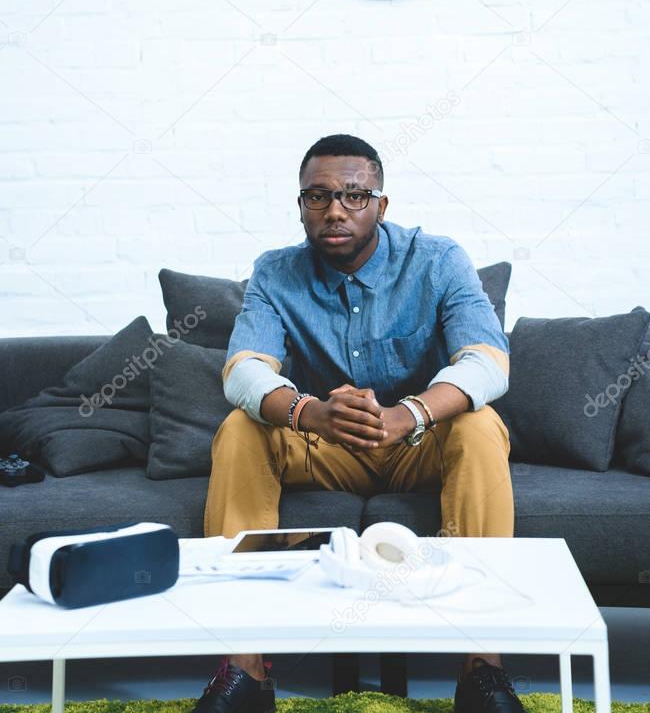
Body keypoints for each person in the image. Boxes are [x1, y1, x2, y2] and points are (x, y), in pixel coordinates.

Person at [192, 133, 524, 713]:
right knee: (241, 429)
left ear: (381, 205)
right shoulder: (275, 272)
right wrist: (309, 411)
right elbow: (242, 371)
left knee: (479, 425)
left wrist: (409, 414)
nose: (335, 211)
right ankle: (246, 666)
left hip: (418, 443)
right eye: (316, 197)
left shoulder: (438, 259)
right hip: (327, 442)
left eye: (353, 195)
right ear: (301, 206)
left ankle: (482, 667)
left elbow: (488, 363)